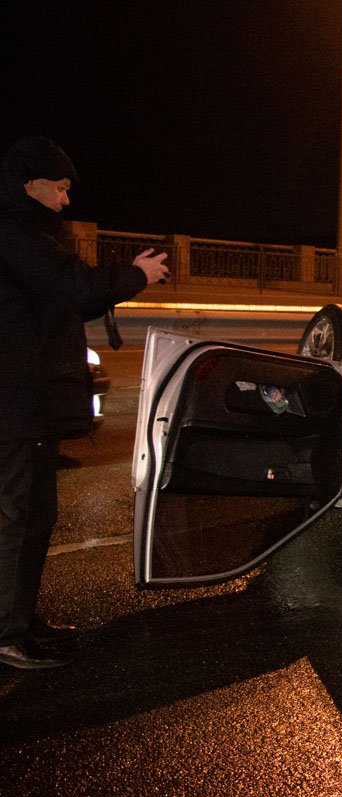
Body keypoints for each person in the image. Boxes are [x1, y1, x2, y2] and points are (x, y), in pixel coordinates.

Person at [0, 136, 170, 669]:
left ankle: (20, 620)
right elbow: (70, 287)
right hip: (15, 403)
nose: (65, 200)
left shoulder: (29, 233)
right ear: (31, 185)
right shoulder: (15, 232)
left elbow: (61, 295)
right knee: (15, 517)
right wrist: (135, 275)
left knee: (34, 517)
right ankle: (6, 631)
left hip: (29, 403)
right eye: (60, 188)